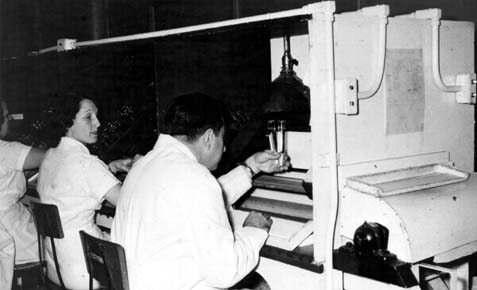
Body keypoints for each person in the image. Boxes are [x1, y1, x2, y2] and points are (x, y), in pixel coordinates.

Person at [111, 92, 289, 290]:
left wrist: (251, 167)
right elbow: (226, 272)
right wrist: (253, 231)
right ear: (209, 137)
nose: (223, 150)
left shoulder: (144, 165)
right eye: (223, 139)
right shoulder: (194, 177)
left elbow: (194, 199)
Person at [36, 94, 136, 289]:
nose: (97, 124)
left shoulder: (50, 156)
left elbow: (75, 184)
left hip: (55, 264)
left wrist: (110, 168)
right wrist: (140, 170)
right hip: (86, 272)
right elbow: (130, 203)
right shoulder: (86, 164)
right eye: (88, 117)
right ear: (68, 121)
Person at [0, 98, 46, 290]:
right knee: (57, 245)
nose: (9, 119)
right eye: (5, 115)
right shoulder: (8, 150)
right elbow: (56, 157)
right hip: (15, 239)